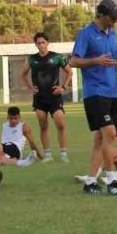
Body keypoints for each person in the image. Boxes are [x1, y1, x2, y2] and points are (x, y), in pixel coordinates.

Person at [70, 0, 117, 196]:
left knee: (101, 139)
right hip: (95, 93)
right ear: (101, 15)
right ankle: (111, 181)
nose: (115, 21)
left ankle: (90, 182)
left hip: (112, 93)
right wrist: (96, 60)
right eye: (112, 17)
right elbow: (73, 61)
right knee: (110, 134)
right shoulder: (86, 34)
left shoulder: (112, 33)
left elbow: (115, 60)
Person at [21, 32, 71, 162]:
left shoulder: (58, 57)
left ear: (47, 43)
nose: (41, 45)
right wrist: (30, 87)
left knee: (61, 124)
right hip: (39, 98)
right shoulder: (31, 59)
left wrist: (63, 87)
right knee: (43, 126)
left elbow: (69, 72)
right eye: (39, 43)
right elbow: (23, 75)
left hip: (54, 97)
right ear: (36, 44)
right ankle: (48, 155)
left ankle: (63, 154)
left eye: (43, 42)